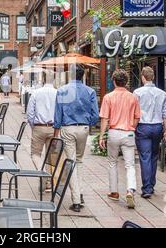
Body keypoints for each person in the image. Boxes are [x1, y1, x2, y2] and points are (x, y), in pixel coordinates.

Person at [53, 64, 99, 212]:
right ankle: (79, 192)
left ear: (71, 75)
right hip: (84, 128)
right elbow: (95, 115)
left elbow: (58, 115)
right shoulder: (90, 91)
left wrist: (56, 131)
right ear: (83, 75)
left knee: (71, 162)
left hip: (68, 128)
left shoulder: (62, 91)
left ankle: (76, 200)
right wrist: (89, 124)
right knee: (79, 161)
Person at [99, 69, 141, 209]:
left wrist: (101, 136)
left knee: (112, 162)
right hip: (128, 132)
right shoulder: (133, 97)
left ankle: (114, 192)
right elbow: (137, 117)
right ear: (126, 82)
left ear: (114, 81)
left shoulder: (108, 97)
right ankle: (130, 190)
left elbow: (105, 118)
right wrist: (131, 127)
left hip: (114, 132)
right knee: (129, 164)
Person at [133, 66, 166, 198]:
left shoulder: (137, 93)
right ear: (153, 77)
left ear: (143, 77)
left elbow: (135, 113)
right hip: (157, 127)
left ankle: (147, 188)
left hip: (143, 127)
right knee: (154, 156)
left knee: (145, 157)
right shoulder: (162, 93)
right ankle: (151, 184)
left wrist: (132, 128)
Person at [26, 71, 57, 190]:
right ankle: (49, 183)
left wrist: (33, 126)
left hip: (39, 127)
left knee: (35, 154)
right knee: (51, 156)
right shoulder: (58, 93)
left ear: (43, 79)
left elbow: (30, 113)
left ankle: (42, 173)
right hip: (54, 128)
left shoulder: (36, 93)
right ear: (53, 79)